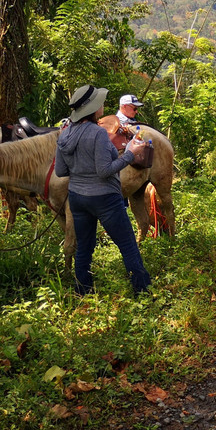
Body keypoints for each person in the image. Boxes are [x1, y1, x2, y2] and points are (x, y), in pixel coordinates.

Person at [56, 85, 151, 296]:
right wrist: (130, 153)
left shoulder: (64, 134)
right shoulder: (98, 133)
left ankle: (83, 291)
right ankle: (142, 291)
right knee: (127, 244)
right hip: (104, 198)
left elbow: (61, 170)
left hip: (78, 198)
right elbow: (104, 171)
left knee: (84, 248)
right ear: (93, 108)